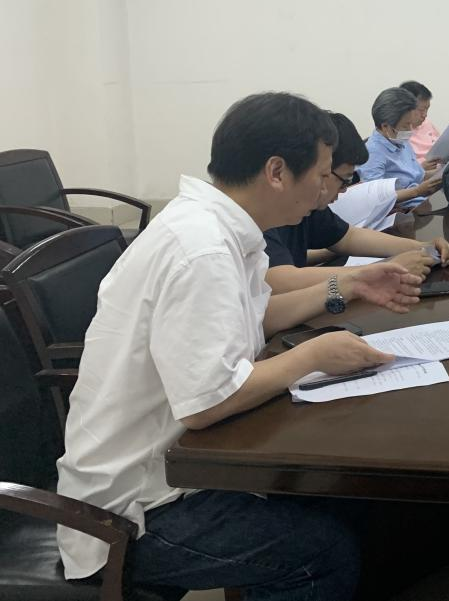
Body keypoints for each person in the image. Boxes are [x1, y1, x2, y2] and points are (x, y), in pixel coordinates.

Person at [56, 92, 424, 598]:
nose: (326, 190)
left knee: (342, 500)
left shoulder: (220, 227)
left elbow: (255, 314)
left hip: (174, 468)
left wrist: (349, 285)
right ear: (276, 172)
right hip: (136, 509)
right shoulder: (202, 250)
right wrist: (313, 356)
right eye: (322, 175)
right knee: (321, 554)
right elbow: (207, 403)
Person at [265, 112, 449, 292]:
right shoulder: (264, 212)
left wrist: (423, 247)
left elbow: (347, 237)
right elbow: (280, 280)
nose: (344, 190)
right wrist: (384, 269)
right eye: (343, 180)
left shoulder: (307, 205)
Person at [359, 86, 442, 208]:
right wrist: (417, 191)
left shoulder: (401, 141)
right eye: (405, 125)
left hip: (421, 202)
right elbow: (376, 198)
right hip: (402, 212)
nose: (410, 130)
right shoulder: (373, 153)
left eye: (411, 124)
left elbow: (417, 176)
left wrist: (443, 171)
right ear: (386, 126)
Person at [402, 80, 441, 165]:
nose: (425, 115)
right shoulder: (398, 132)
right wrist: (420, 167)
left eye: (427, 109)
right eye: (421, 110)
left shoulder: (427, 123)